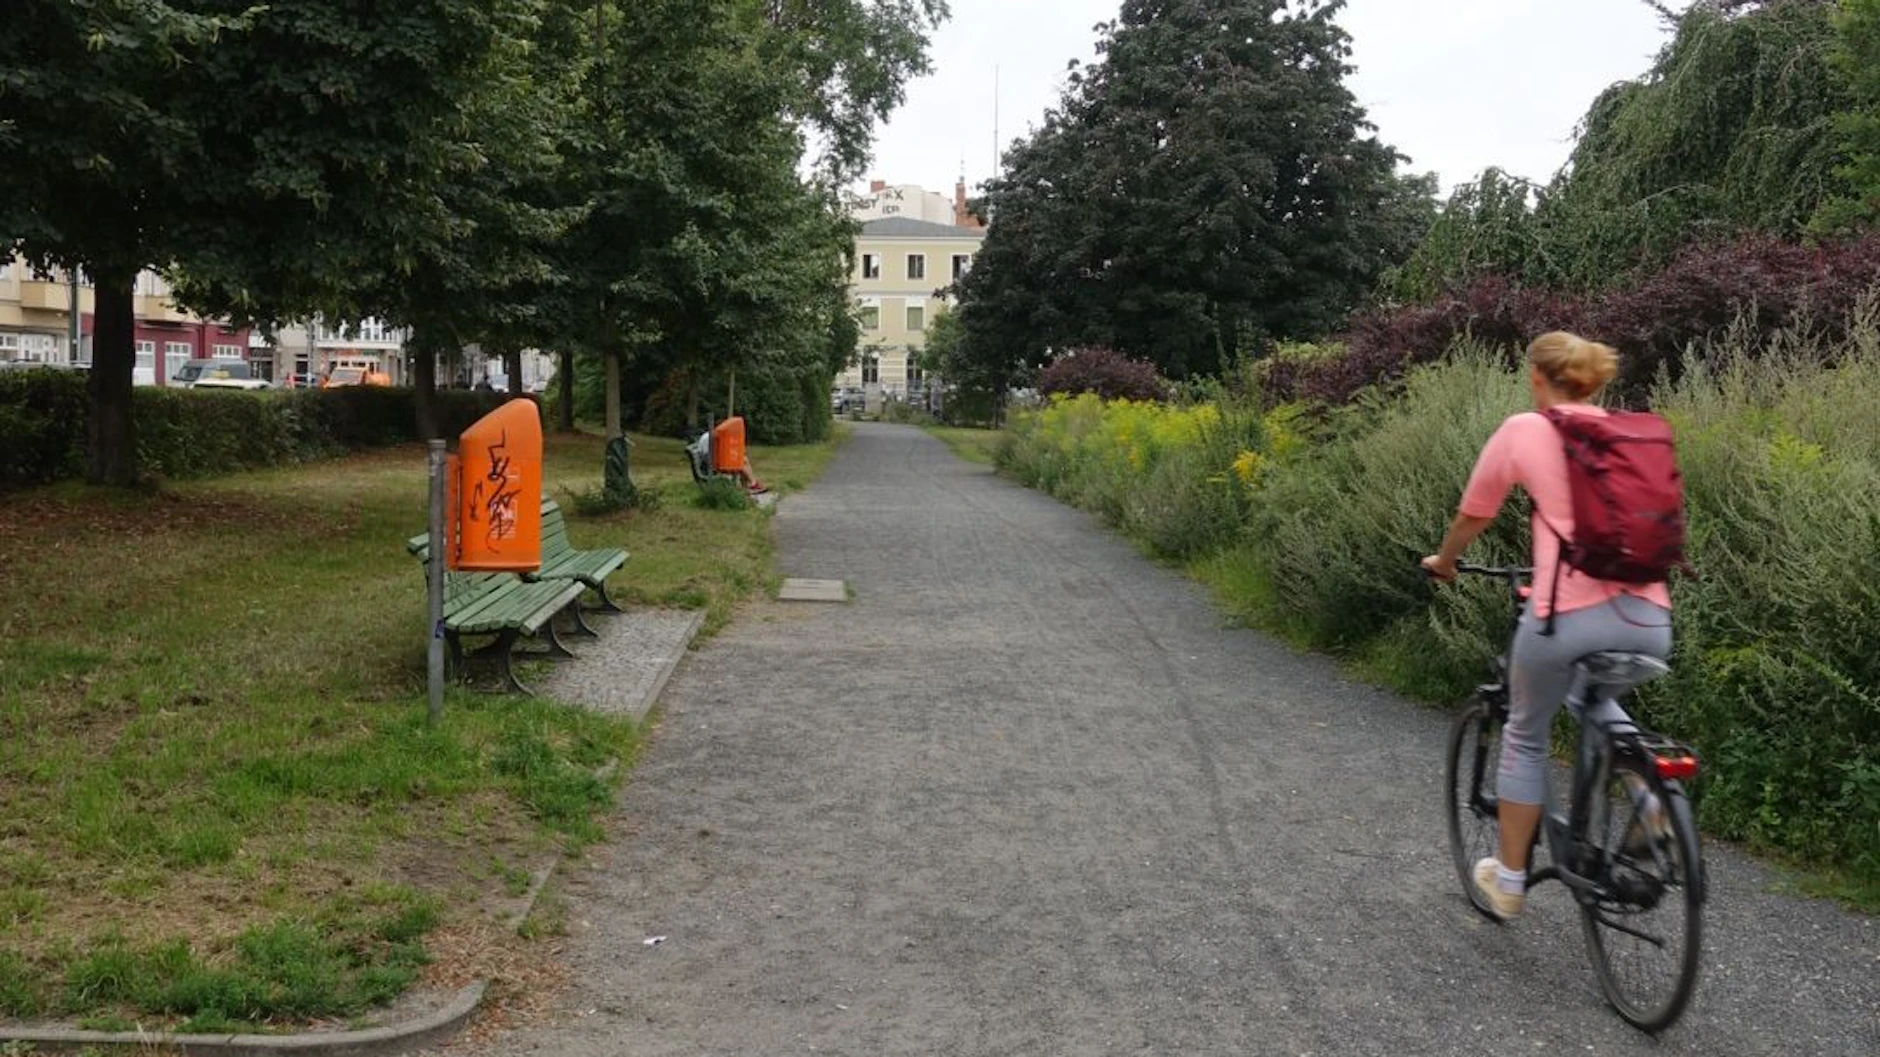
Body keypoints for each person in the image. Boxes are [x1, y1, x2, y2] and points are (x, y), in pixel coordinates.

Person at [1420, 331, 1673, 920]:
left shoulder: (1526, 429)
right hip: (1651, 618)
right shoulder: (1632, 433)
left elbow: (1475, 512)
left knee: (1527, 731)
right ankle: (1648, 794)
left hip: (1568, 617)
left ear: (1537, 376)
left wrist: (1446, 561)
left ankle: (1509, 883)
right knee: (1593, 699)